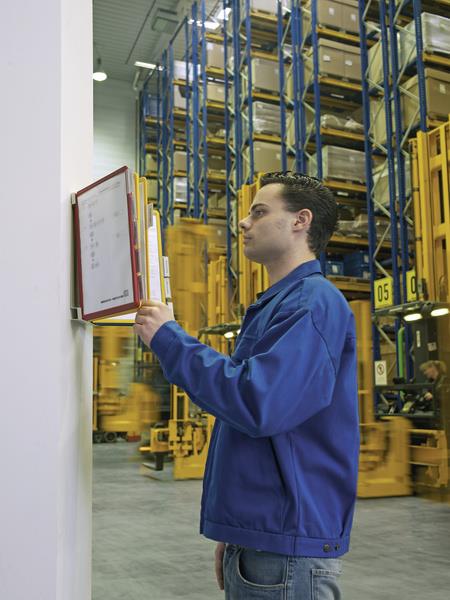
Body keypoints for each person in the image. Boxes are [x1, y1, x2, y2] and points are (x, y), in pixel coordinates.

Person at [134, 172, 359, 599]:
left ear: (301, 221)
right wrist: (239, 529)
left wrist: (170, 340)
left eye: (259, 212)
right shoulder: (280, 303)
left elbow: (259, 402)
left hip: (286, 550)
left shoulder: (314, 303)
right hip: (265, 539)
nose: (243, 222)